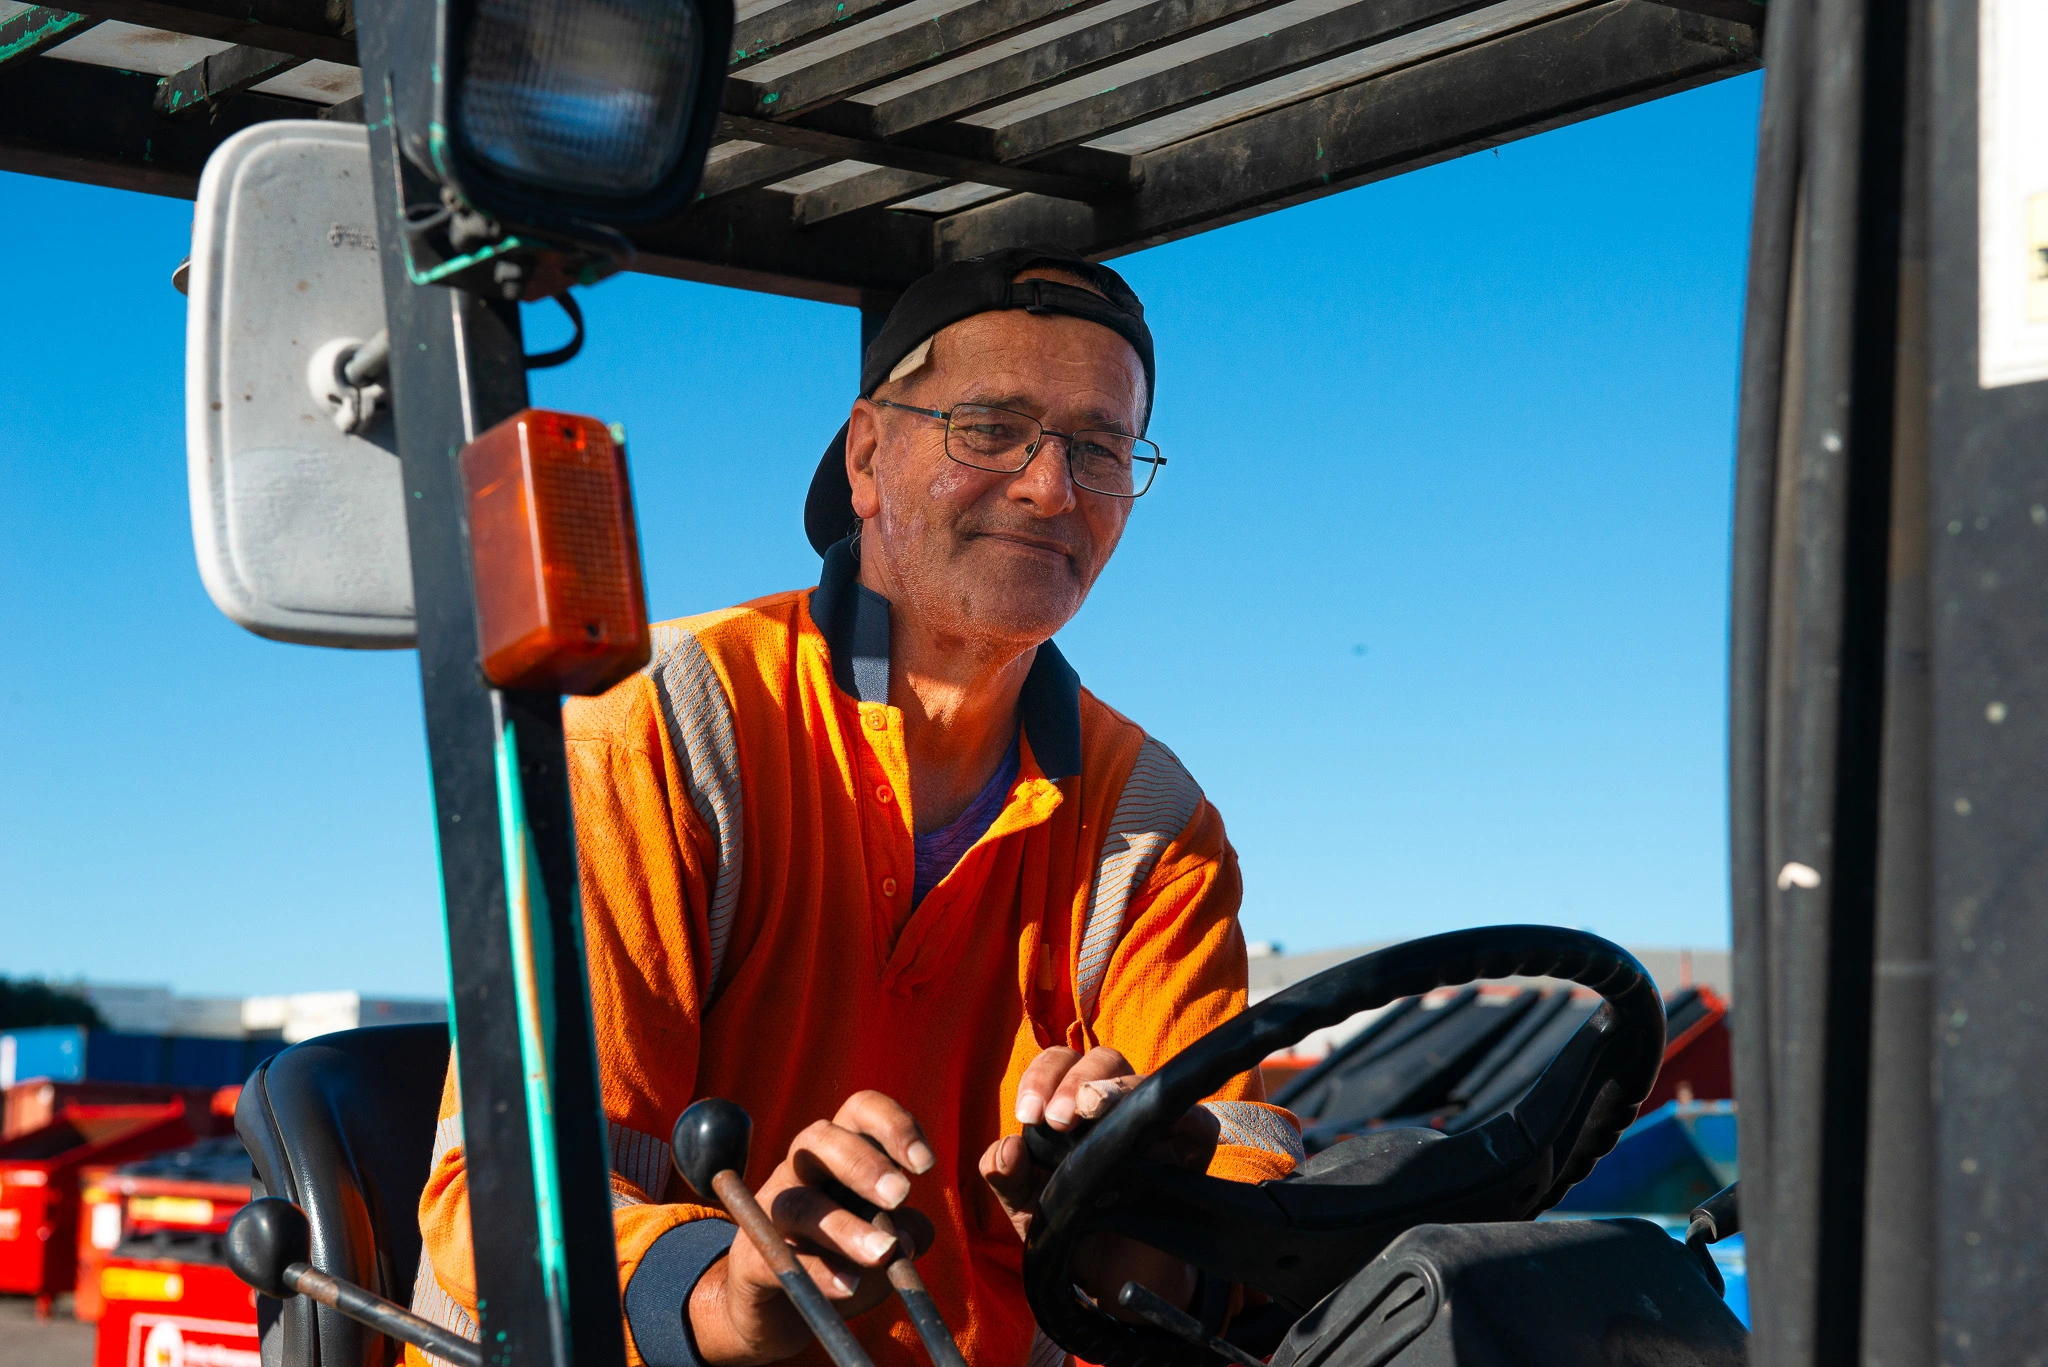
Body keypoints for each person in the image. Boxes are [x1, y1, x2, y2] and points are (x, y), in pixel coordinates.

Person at [408, 246, 1303, 1367]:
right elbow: (514, 1192)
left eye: (1101, 448)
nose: (1051, 487)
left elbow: (1227, 1211)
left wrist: (1122, 1215)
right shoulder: (664, 727)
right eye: (990, 428)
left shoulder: (1154, 826)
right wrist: (731, 1297)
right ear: (868, 453)